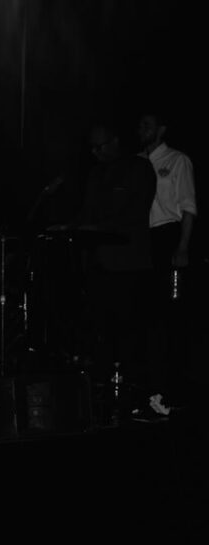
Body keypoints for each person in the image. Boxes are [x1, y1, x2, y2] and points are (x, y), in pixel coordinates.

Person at [47, 122, 157, 390]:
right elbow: (87, 213)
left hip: (130, 263)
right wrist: (69, 226)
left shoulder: (139, 168)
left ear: (116, 142)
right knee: (101, 328)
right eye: (92, 148)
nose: (96, 152)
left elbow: (135, 213)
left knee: (130, 330)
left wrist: (97, 227)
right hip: (100, 263)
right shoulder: (96, 173)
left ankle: (136, 388)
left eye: (101, 146)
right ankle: (103, 384)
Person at [136, 111, 198, 414]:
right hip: (140, 241)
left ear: (161, 129)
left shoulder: (177, 160)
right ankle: (147, 389)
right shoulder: (135, 163)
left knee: (168, 315)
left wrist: (183, 246)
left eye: (148, 124)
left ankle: (171, 392)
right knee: (144, 315)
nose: (142, 129)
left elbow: (187, 206)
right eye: (140, 124)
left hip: (166, 237)